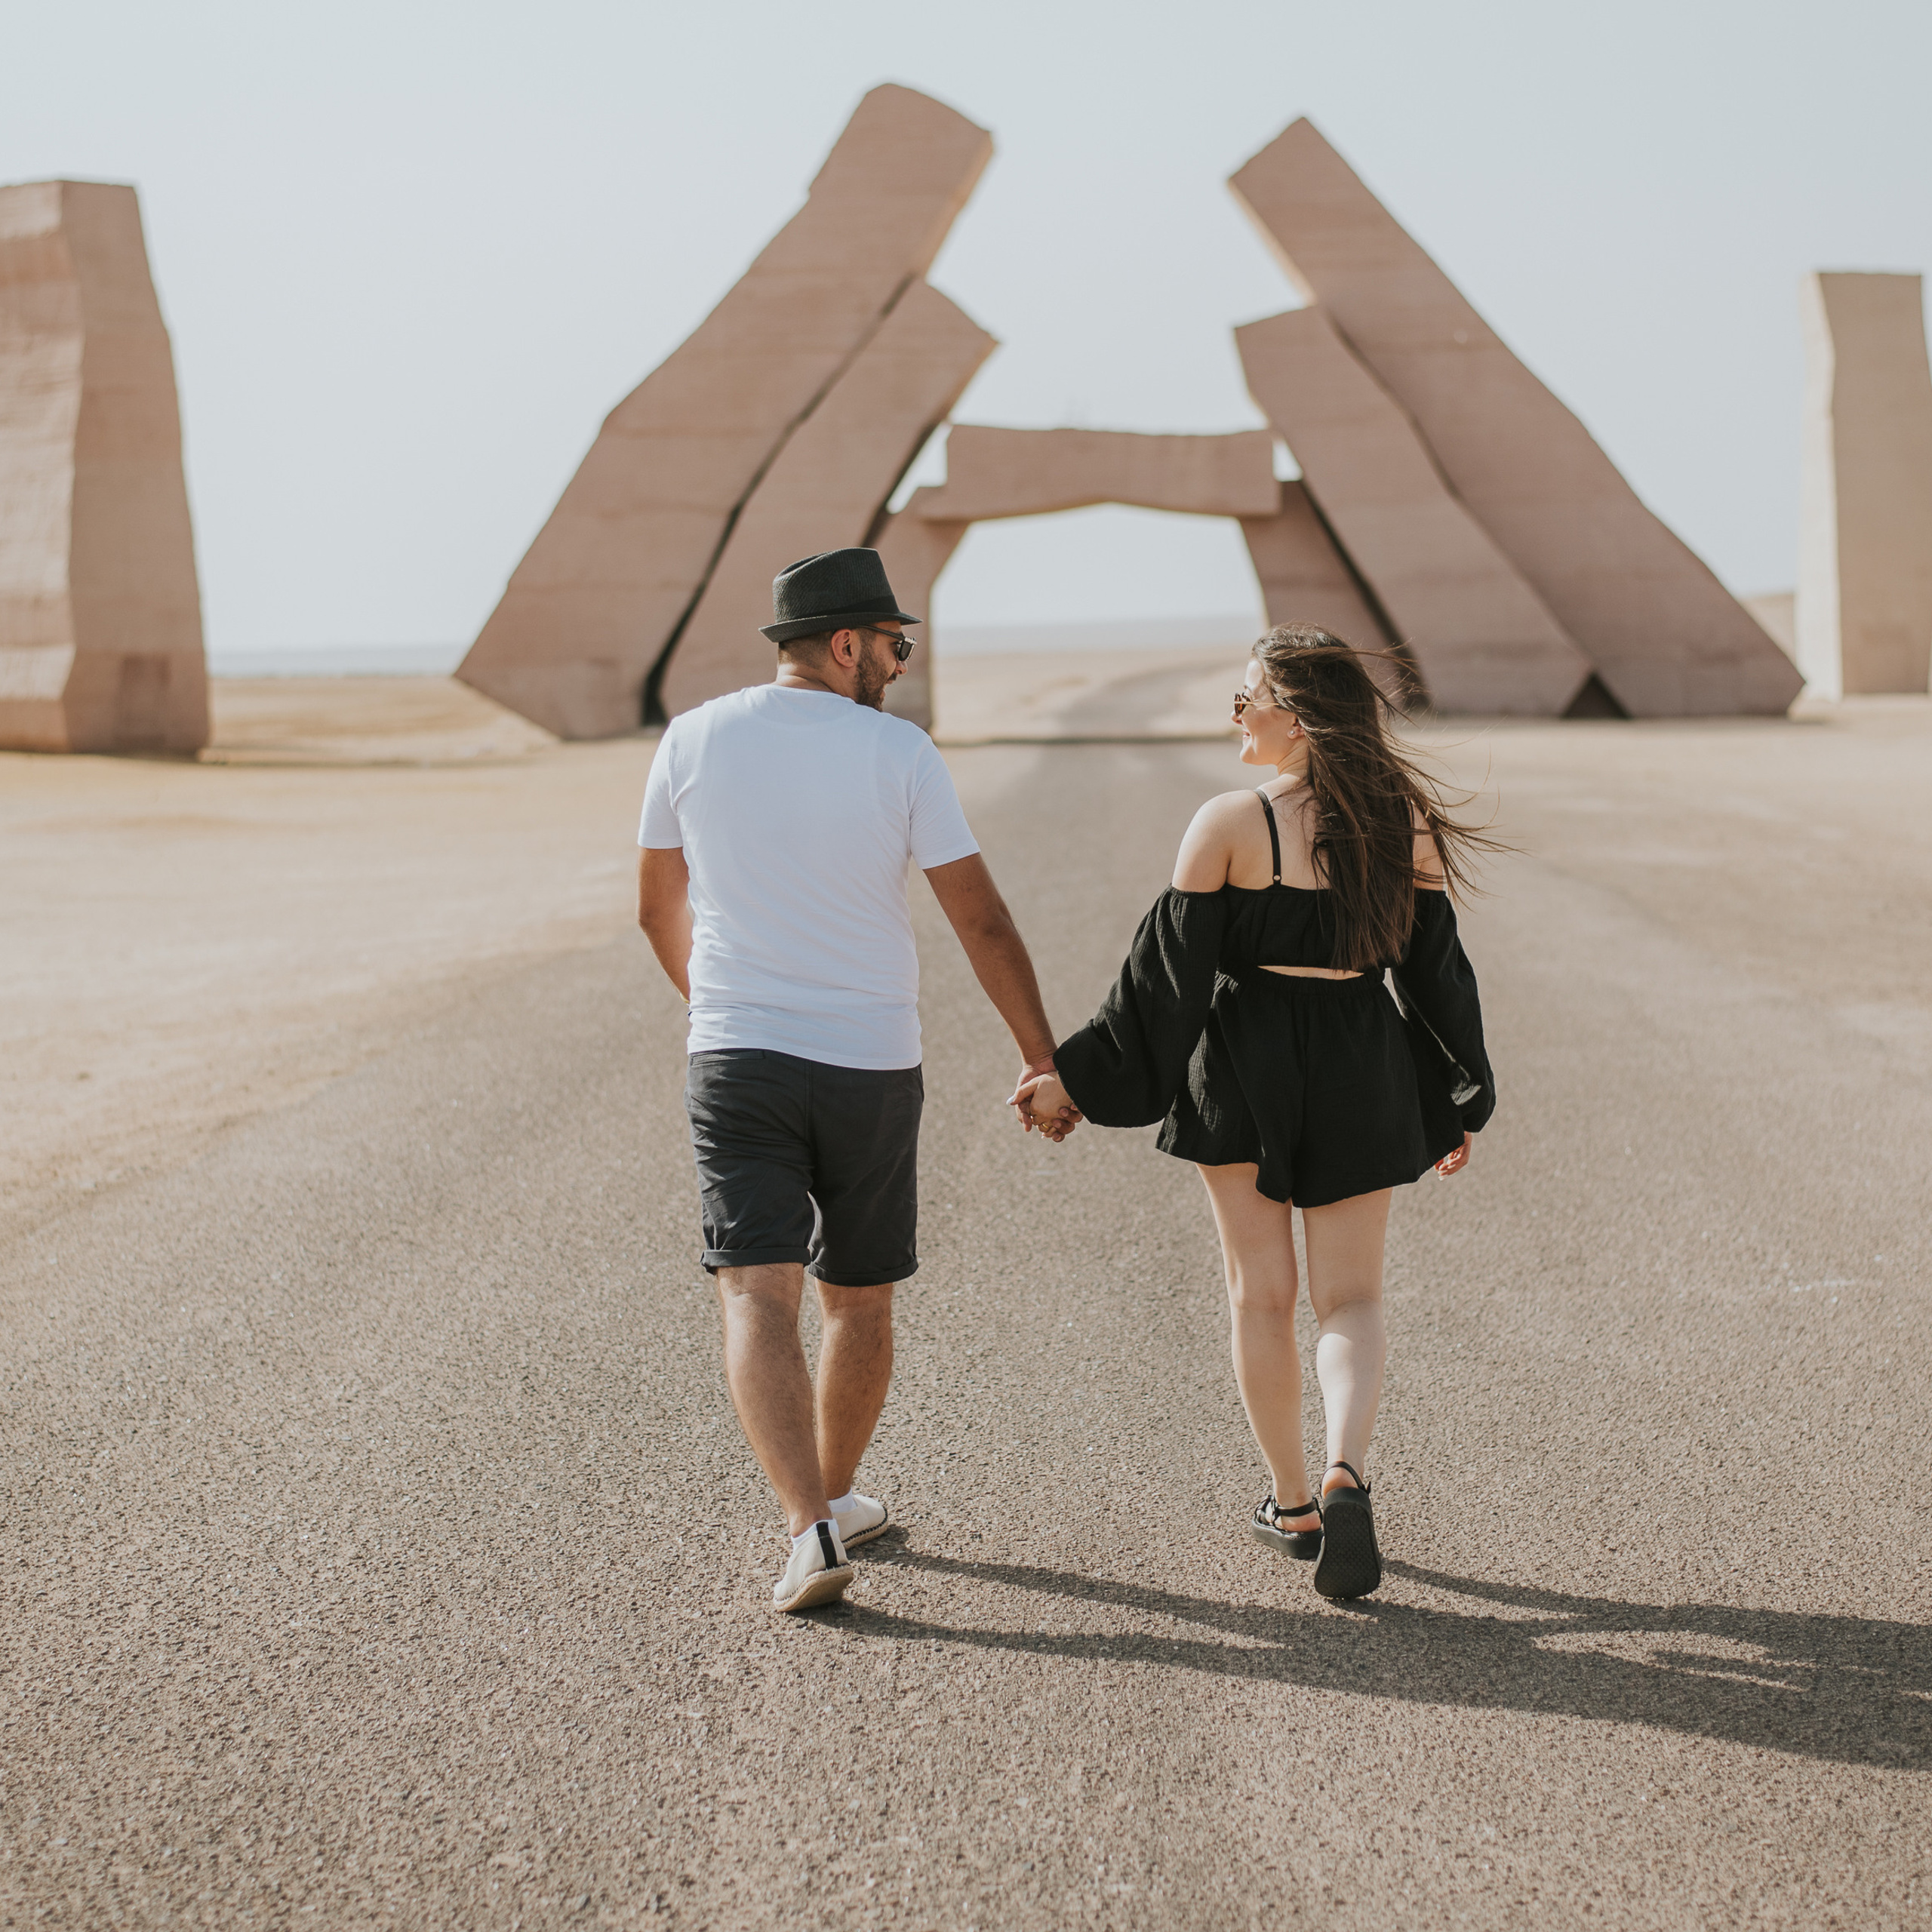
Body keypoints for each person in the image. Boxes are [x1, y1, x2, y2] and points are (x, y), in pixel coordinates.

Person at [1014, 626, 1498, 1601]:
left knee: (1260, 1293)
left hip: (1241, 1065)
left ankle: (1293, 1503)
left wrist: (1073, 1080)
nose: (1236, 716)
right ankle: (1346, 1469)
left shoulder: (1233, 824)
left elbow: (1160, 994)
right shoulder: (1403, 825)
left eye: (1248, 697)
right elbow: (1440, 978)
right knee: (1352, 1299)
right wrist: (1461, 1095)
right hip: (1364, 1059)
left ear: (1299, 714)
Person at [637, 548, 1067, 1614]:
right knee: (858, 1300)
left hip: (737, 1054)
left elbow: (657, 907)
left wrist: (723, 1007)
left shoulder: (690, 737)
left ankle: (811, 1524)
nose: (901, 662)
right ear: (844, 646)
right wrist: (1040, 1056)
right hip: (871, 1058)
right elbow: (981, 918)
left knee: (755, 1288)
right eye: (893, 644)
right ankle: (825, 1505)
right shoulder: (900, 754)